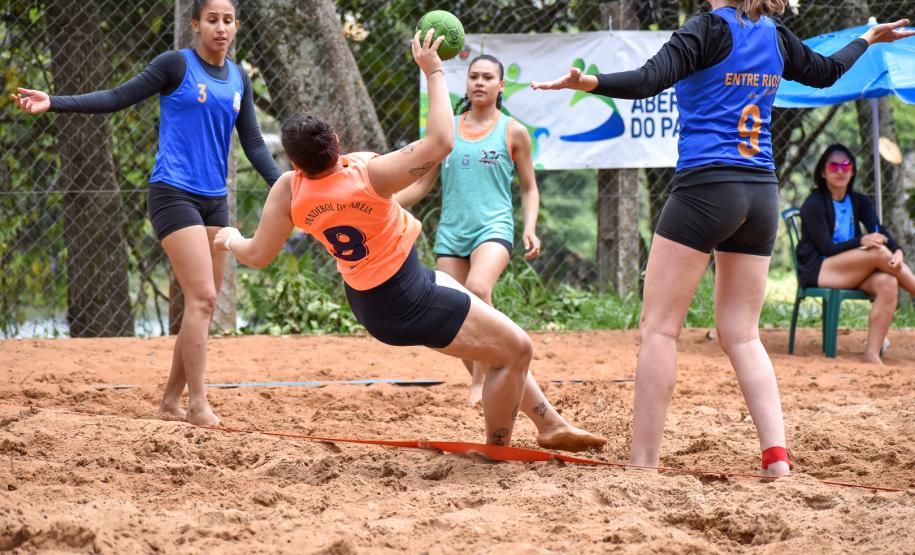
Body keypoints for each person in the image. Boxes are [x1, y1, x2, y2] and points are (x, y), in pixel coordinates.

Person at [532, 0, 914, 475]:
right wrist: (869, 39)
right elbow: (829, 72)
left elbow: (649, 80)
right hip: (760, 194)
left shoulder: (707, 29)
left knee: (659, 329)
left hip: (708, 187)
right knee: (743, 334)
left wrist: (590, 82)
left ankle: (643, 464)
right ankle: (777, 461)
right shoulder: (774, 34)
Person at [213, 31, 605, 452]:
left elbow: (257, 254)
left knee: (497, 339)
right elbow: (441, 142)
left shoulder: (289, 190)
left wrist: (232, 238)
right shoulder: (369, 174)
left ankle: (549, 423)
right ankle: (499, 446)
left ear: (294, 162)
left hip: (374, 301)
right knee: (515, 349)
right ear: (336, 143)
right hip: (411, 296)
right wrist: (434, 69)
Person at [11, 0, 281, 426]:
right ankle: (198, 404)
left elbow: (254, 146)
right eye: (212, 20)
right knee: (205, 298)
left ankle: (172, 401)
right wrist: (55, 102)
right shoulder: (175, 64)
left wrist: (286, 186)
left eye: (228, 20)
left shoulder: (239, 79)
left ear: (236, 26)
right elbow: (117, 97)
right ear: (195, 25)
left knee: (202, 306)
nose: (220, 28)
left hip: (215, 200)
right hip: (172, 193)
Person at [396, 54, 542, 406]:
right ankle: (494, 371)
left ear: (501, 85)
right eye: (474, 76)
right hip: (451, 233)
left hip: (494, 227)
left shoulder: (513, 131)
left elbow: (529, 187)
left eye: (488, 77)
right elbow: (420, 186)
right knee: (453, 310)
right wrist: (385, 204)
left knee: (477, 288)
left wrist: (530, 228)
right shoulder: (447, 131)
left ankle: (480, 383)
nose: (479, 82)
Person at [798, 144, 914, 364]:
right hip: (820, 269)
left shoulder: (859, 201)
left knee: (888, 282)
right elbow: (826, 248)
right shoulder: (813, 204)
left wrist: (898, 251)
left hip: (851, 270)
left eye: (846, 165)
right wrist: (861, 240)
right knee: (877, 251)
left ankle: (872, 353)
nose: (840, 170)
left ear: (852, 170)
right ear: (823, 171)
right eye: (834, 165)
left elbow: (879, 230)